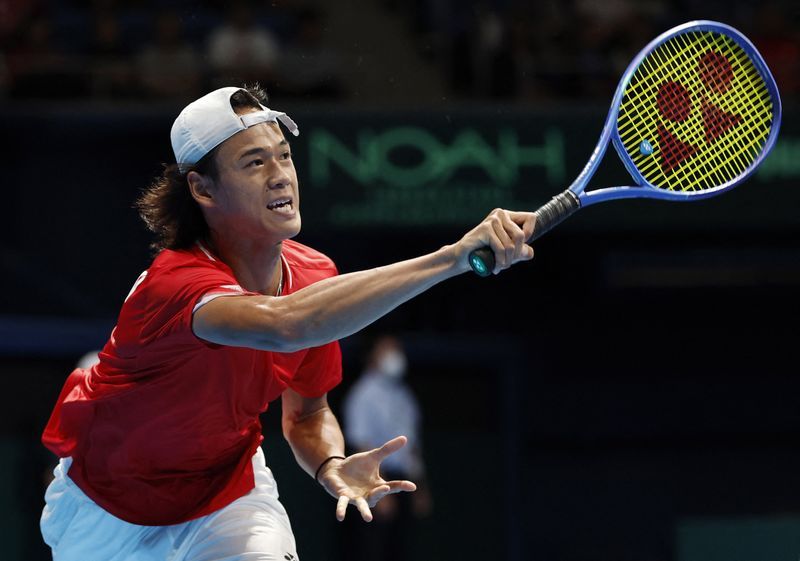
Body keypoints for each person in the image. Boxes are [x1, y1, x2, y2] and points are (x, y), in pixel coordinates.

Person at [40, 84, 535, 560]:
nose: (280, 176)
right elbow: (286, 325)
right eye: (255, 162)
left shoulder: (314, 276)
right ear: (202, 188)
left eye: (284, 155)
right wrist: (451, 258)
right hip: (105, 513)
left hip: (224, 496)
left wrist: (330, 462)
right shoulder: (175, 286)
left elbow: (307, 414)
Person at [343, 335, 432, 561]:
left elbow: (413, 446)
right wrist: (378, 489)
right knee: (373, 550)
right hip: (375, 482)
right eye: (388, 349)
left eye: (397, 349)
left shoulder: (404, 395)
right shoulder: (362, 394)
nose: (395, 355)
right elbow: (361, 444)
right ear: (372, 355)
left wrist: (420, 487)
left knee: (401, 550)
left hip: (405, 482)